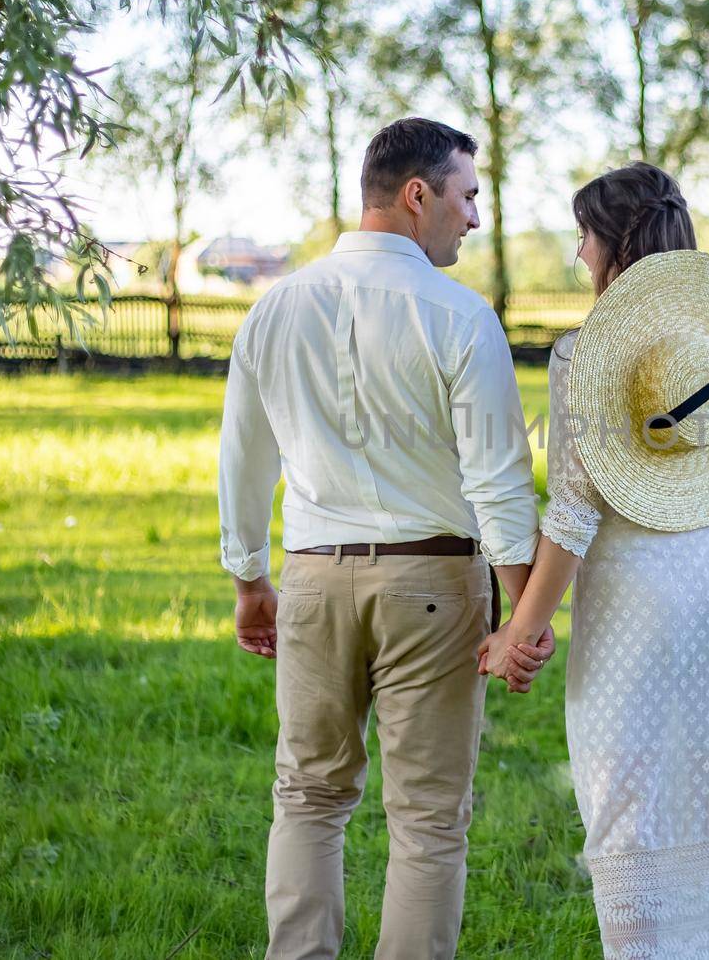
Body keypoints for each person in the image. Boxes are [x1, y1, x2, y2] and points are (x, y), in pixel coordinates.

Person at [479, 162, 709, 960]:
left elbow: (575, 509)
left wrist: (522, 631)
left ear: (616, 242)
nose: (578, 255)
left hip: (635, 611)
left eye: (584, 236)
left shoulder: (590, 355)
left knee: (632, 804)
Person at [218, 116, 552, 960]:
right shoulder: (461, 317)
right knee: (429, 820)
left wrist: (250, 580)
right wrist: (524, 614)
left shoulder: (274, 308)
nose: (474, 217)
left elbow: (244, 459)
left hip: (314, 581)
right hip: (434, 586)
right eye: (467, 195)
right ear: (418, 195)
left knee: (307, 796)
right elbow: (500, 481)